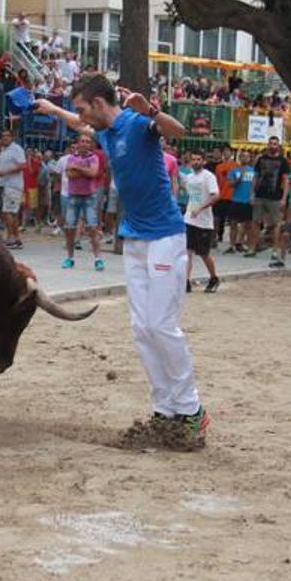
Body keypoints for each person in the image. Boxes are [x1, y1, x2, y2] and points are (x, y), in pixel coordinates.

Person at [36, 75, 210, 445]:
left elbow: (176, 131)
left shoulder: (135, 123)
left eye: (84, 108)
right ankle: (165, 409)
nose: (82, 118)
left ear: (99, 103)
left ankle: (192, 409)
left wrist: (150, 109)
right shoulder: (107, 132)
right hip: (134, 238)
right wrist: (53, 109)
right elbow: (76, 122)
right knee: (141, 328)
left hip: (165, 235)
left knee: (161, 324)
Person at [61, 136, 104, 271]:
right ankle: (70, 258)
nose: (85, 144)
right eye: (82, 141)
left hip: (89, 196)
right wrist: (83, 170)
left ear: (91, 145)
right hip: (73, 195)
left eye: (88, 142)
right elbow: (69, 174)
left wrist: (76, 168)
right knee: (69, 228)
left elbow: (93, 173)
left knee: (92, 228)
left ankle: (98, 258)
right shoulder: (71, 158)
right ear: (78, 143)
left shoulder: (93, 158)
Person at [183, 150, 220, 293]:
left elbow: (216, 195)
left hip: (204, 221)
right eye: (193, 159)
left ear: (204, 161)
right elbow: (189, 195)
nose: (196, 162)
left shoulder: (209, 177)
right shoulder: (189, 177)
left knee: (204, 253)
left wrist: (201, 207)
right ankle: (186, 281)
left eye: (198, 159)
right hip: (189, 218)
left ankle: (214, 277)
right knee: (187, 251)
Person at [247, 136, 289, 257]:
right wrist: (251, 193)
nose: (272, 146)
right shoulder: (261, 160)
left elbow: (286, 181)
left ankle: (275, 249)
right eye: (271, 143)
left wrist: (284, 198)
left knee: (276, 224)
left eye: (275, 144)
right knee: (255, 222)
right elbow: (255, 177)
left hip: (275, 196)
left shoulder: (283, 161)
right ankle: (252, 248)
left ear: (278, 146)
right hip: (260, 195)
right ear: (268, 145)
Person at [0, 128, 26, 249]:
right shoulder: (4, 150)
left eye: (7, 136)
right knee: (10, 212)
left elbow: (22, 165)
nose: (5, 138)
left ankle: (11, 237)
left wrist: (4, 172)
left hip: (13, 185)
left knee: (9, 212)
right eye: (3, 136)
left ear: (12, 137)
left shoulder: (16, 149)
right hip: (5, 185)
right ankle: (16, 238)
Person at [224, 150, 255, 254]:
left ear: (250, 159)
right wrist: (239, 178)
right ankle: (232, 245)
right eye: (243, 157)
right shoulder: (234, 171)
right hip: (236, 199)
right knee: (233, 223)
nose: (245, 159)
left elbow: (256, 186)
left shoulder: (254, 171)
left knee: (248, 225)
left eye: (247, 157)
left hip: (248, 201)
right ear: (239, 158)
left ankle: (243, 244)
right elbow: (230, 184)